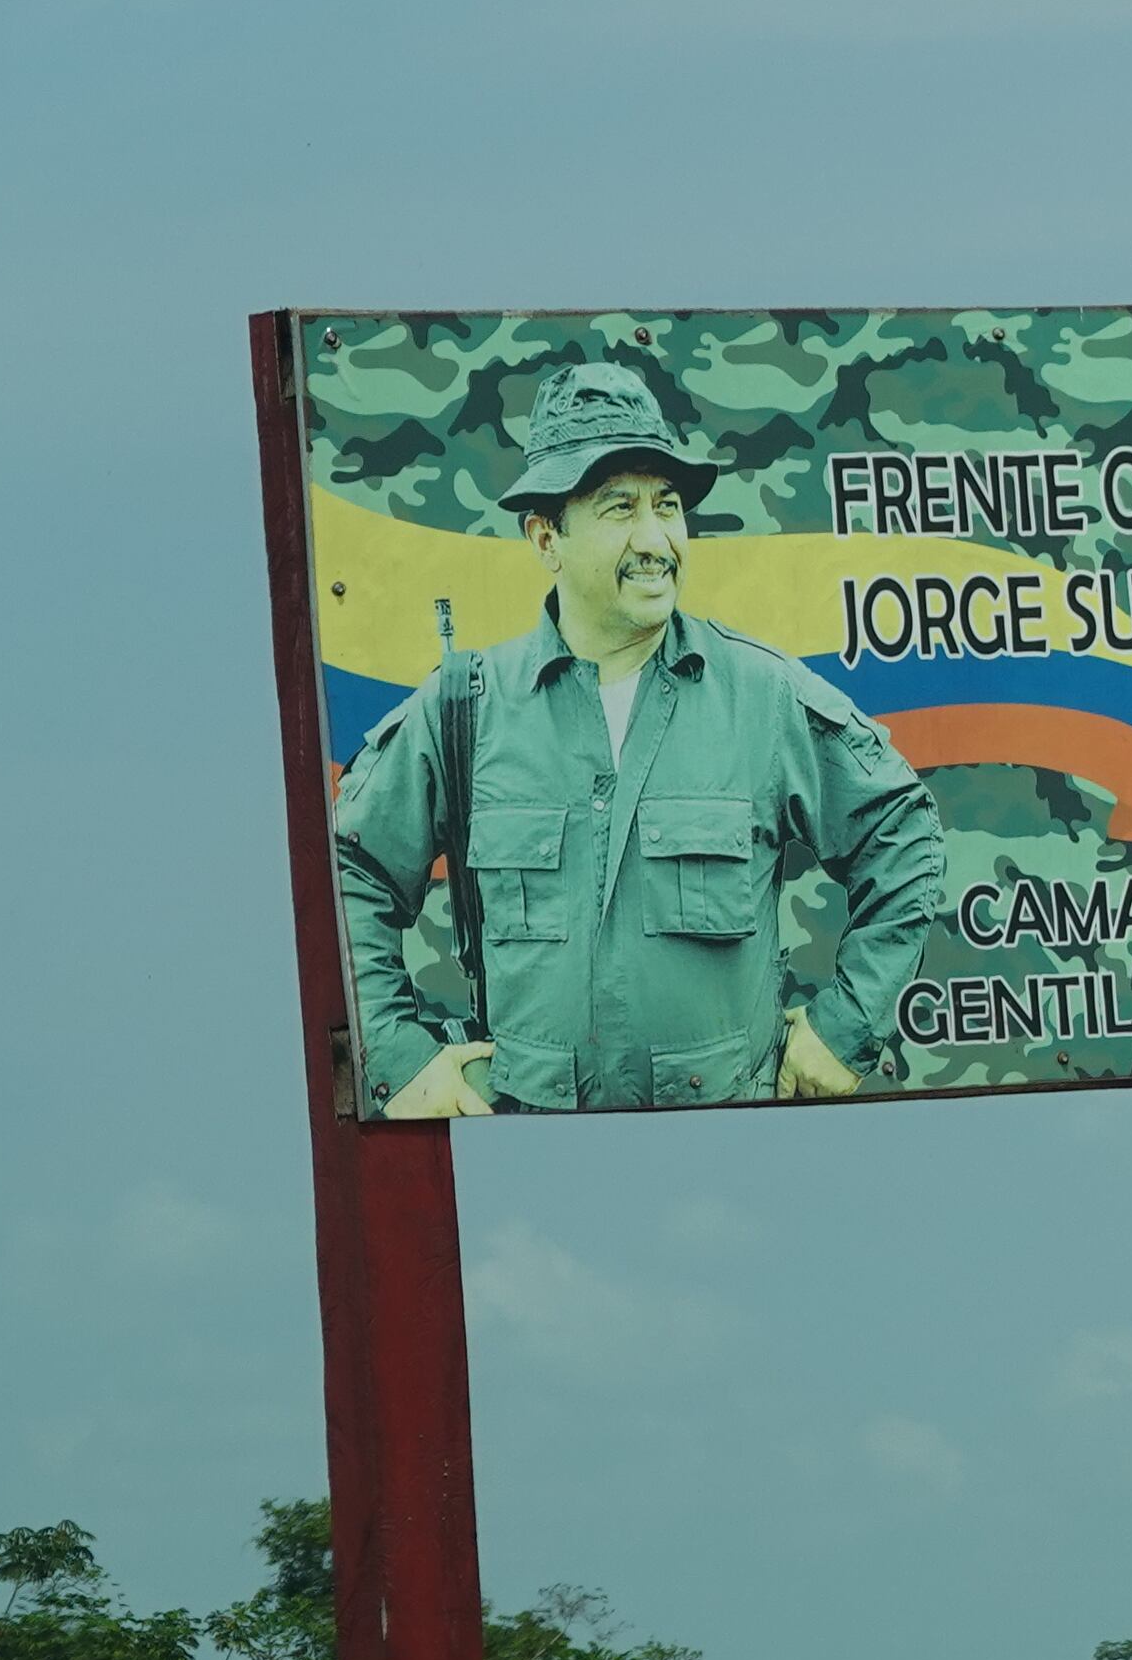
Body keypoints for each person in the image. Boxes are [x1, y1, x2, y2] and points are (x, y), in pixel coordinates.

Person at [331, 360, 941, 1114]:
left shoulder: (761, 697)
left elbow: (903, 832)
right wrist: (398, 1058)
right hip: (527, 1157)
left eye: (669, 505)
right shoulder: (466, 707)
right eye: (619, 509)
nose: (656, 538)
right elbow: (347, 868)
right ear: (546, 536)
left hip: (727, 1146)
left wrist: (845, 1027)